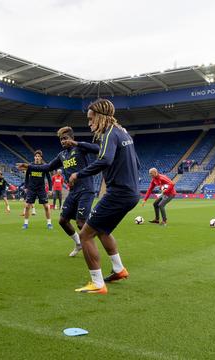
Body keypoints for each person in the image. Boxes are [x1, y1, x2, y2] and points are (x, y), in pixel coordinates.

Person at [65, 99, 140, 294]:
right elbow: (136, 162)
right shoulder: (122, 132)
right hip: (131, 192)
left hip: (118, 193)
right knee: (102, 230)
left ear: (100, 117)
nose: (89, 123)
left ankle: (97, 283)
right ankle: (119, 269)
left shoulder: (108, 133)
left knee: (85, 235)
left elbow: (105, 159)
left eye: (91, 119)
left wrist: (78, 174)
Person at [17, 127, 99, 257]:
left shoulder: (80, 148)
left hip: (86, 189)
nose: (63, 141)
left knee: (81, 223)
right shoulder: (62, 155)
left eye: (65, 138)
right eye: (61, 139)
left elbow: (97, 149)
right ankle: (78, 243)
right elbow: (48, 167)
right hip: (73, 192)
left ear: (72, 138)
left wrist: (76, 144)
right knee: (62, 220)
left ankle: (92, 252)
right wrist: (29, 166)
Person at [22, 150, 53, 229]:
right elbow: (26, 177)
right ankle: (25, 223)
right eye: (36, 156)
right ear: (34, 157)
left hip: (41, 189)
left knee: (46, 206)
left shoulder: (44, 167)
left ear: (41, 158)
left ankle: (49, 223)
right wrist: (26, 187)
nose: (37, 158)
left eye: (38, 156)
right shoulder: (30, 166)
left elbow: (49, 178)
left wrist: (50, 189)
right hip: (31, 189)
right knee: (27, 206)